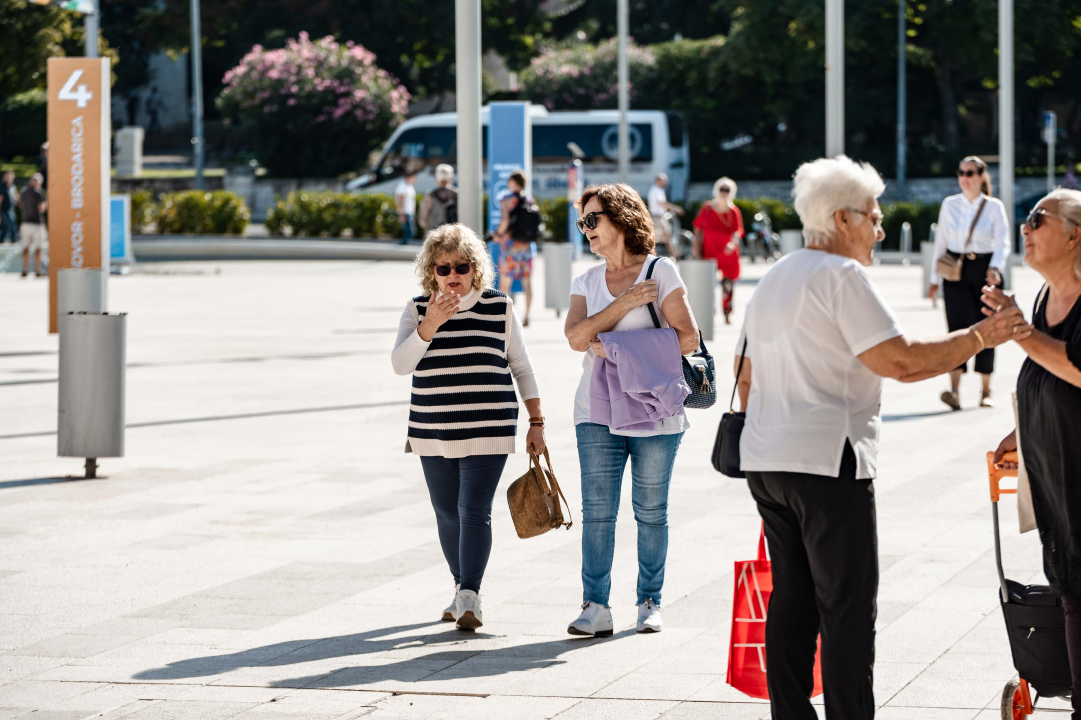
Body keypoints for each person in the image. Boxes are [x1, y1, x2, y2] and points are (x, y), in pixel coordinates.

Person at [735, 156, 1029, 719]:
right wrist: (982, 335)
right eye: (873, 215)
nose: (881, 228)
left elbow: (744, 374)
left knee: (792, 601)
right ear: (842, 219)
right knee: (846, 609)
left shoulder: (776, 274)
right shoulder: (841, 276)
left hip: (767, 460)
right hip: (828, 462)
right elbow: (901, 360)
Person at [392, 222, 545, 632]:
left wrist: (536, 421)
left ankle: (471, 594)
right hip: (432, 428)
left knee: (472, 509)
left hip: (489, 424)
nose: (453, 275)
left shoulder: (499, 307)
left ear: (475, 268)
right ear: (431, 272)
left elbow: (522, 367)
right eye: (443, 268)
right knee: (446, 512)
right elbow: (400, 365)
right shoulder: (417, 308)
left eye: (461, 266)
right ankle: (461, 588)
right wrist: (429, 327)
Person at [564, 183, 701, 637]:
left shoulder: (661, 272)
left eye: (592, 219)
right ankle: (595, 605)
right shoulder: (585, 280)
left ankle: (649, 601)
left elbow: (688, 338)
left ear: (620, 219)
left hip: (655, 408)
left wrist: (619, 346)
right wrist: (623, 305)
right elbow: (576, 337)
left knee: (650, 510)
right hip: (596, 408)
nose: (585, 229)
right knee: (597, 512)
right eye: (582, 221)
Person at [989, 189, 1081, 717]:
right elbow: (1047, 378)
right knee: (1071, 593)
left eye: (1036, 219)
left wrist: (1019, 332)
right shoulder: (1047, 296)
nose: (1025, 227)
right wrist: (1021, 433)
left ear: (1074, 234)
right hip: (1059, 488)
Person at [929, 155, 1011, 410]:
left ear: (981, 176)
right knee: (956, 328)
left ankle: (986, 391)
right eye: (961, 172)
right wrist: (933, 279)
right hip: (955, 271)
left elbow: (1003, 242)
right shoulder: (949, 204)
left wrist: (995, 268)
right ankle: (954, 391)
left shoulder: (994, 206)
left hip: (985, 270)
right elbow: (940, 242)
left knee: (988, 326)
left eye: (970, 173)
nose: (965, 178)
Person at [693, 177, 744, 324]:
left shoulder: (734, 211)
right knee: (708, 283)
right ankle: (709, 310)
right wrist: (695, 246)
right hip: (709, 250)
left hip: (727, 253)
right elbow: (697, 228)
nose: (724, 193)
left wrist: (732, 244)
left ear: (731, 192)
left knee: (727, 284)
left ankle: (727, 313)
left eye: (727, 190)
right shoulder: (708, 208)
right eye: (721, 189)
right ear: (716, 190)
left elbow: (738, 231)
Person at [496, 171, 536, 327]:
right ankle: (527, 316)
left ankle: (503, 316)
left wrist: (498, 234)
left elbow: (505, 220)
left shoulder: (506, 199)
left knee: (505, 283)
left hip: (510, 246)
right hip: (526, 247)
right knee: (527, 282)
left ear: (514, 183)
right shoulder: (529, 199)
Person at [647, 173, 683, 257]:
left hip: (660, 217)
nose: (665, 183)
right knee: (665, 236)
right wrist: (675, 208)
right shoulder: (655, 190)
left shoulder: (658, 190)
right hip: (657, 217)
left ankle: (674, 254)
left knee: (664, 237)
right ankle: (675, 255)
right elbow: (661, 203)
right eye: (664, 181)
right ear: (659, 180)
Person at [19, 174, 47, 278]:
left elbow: (21, 205)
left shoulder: (24, 191)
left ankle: (25, 270)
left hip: (25, 222)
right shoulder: (39, 192)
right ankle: (37, 270)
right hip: (37, 223)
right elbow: (41, 208)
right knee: (38, 248)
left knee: (25, 248)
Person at [418, 164, 457, 233]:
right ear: (451, 178)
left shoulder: (430, 195)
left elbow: (423, 218)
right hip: (454, 233)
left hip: (434, 234)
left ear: (436, 178)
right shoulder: (457, 195)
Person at [395, 172, 417, 245]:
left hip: (410, 211)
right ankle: (404, 242)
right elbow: (400, 199)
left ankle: (406, 242)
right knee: (408, 230)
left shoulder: (410, 186)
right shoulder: (402, 186)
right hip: (405, 211)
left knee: (411, 230)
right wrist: (401, 212)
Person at [1, 170, 17, 244]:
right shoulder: (2, 186)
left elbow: (14, 197)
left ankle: (1, 240)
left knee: (5, 227)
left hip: (11, 209)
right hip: (4, 210)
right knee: (12, 225)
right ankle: (14, 240)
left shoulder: (12, 186)